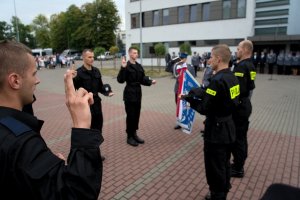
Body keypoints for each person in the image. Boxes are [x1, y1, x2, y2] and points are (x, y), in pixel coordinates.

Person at [0, 40, 103, 199]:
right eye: (34, 73)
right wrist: (82, 126)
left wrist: (48, 165)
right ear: (15, 80)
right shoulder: (20, 142)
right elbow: (77, 193)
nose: (38, 80)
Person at [180, 44, 240, 200]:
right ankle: (223, 190)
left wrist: (189, 101)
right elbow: (214, 95)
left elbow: (205, 107)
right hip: (228, 127)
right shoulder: (232, 77)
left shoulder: (217, 80)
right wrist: (192, 93)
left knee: (215, 167)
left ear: (218, 59)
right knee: (224, 164)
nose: (208, 60)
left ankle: (217, 195)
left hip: (216, 132)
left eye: (211, 57)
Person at [72, 49, 113, 161]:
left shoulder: (96, 71)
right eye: (89, 57)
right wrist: (71, 79)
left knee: (97, 129)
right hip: (85, 105)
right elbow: (74, 90)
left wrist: (107, 92)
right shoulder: (79, 73)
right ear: (83, 58)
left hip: (97, 104)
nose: (92, 59)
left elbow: (100, 87)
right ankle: (87, 155)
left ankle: (96, 153)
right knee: (87, 131)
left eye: (93, 57)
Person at [117, 47, 156, 147]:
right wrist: (123, 68)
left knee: (137, 114)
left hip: (138, 93)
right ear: (130, 54)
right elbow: (120, 80)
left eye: (137, 53)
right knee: (130, 115)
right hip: (129, 93)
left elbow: (142, 79)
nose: (136, 54)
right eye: (134, 53)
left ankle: (134, 134)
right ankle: (129, 136)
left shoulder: (139, 66)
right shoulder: (127, 65)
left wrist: (150, 82)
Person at [231, 40, 256, 178]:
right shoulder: (251, 65)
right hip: (245, 104)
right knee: (241, 137)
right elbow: (251, 87)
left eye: (239, 48)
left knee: (238, 138)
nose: (237, 50)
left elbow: (237, 90)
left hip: (239, 106)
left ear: (246, 50)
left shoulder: (241, 66)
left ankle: (238, 168)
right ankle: (237, 164)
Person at [173, 52, 195, 129]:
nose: (181, 60)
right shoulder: (177, 66)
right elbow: (176, 76)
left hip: (186, 91)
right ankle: (179, 122)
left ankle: (186, 122)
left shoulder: (190, 67)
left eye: (183, 58)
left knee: (186, 106)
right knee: (178, 106)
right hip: (178, 89)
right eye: (180, 58)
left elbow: (192, 78)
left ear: (186, 59)